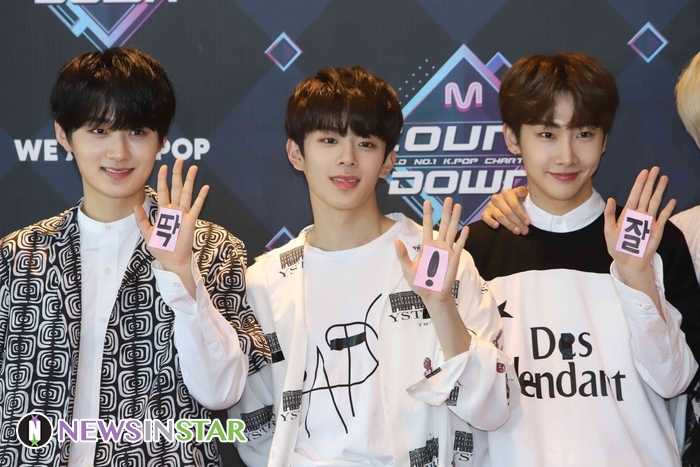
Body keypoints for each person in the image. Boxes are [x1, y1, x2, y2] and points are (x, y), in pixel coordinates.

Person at [228, 66, 518, 466]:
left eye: (365, 143)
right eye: (329, 140)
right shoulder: (265, 281)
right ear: (296, 153)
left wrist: (441, 307)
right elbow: (253, 428)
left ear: (387, 161)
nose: (347, 158)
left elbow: (494, 408)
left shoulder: (437, 260)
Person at [0, 47, 268, 466]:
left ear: (162, 139)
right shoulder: (19, 257)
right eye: (99, 130)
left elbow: (221, 393)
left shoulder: (211, 249)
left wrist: (179, 273)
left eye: (137, 132)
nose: (119, 153)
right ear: (64, 135)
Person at [463, 52, 700, 466]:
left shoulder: (653, 242)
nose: (567, 156)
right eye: (547, 134)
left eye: (584, 133)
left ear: (605, 140)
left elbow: (674, 381)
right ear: (512, 138)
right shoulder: (474, 252)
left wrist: (635, 276)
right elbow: (467, 400)